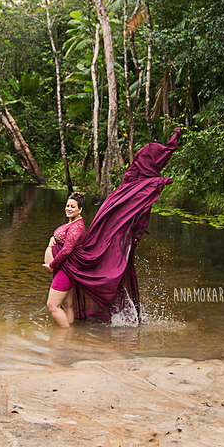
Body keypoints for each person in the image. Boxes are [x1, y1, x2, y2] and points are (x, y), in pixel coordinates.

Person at [53, 127, 183, 324]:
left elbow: (145, 185)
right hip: (108, 226)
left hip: (111, 230)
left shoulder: (135, 184)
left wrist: (159, 181)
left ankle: (72, 331)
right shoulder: (130, 181)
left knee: (106, 262)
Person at [43, 193, 85, 328]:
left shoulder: (76, 227)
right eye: (67, 206)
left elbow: (67, 250)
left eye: (73, 207)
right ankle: (71, 336)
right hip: (64, 268)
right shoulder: (72, 223)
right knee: (67, 305)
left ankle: (65, 334)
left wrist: (51, 265)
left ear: (80, 209)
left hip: (65, 271)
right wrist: (53, 239)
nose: (69, 209)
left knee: (52, 305)